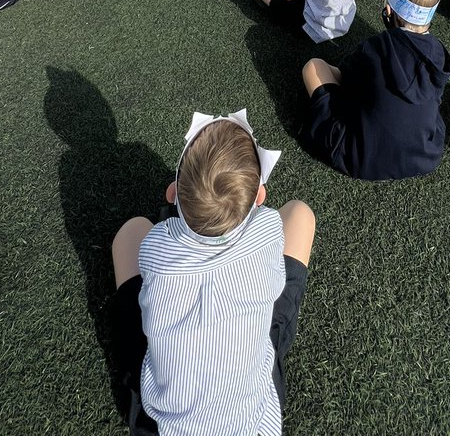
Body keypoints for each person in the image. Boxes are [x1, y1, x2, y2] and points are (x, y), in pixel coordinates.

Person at [107, 110, 314, 436]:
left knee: (132, 231)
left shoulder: (156, 246)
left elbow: (148, 256)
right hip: (253, 421)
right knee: (300, 214)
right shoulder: (268, 229)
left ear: (172, 194)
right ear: (260, 197)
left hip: (162, 423)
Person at [301, 0, 450, 180]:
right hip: (424, 155)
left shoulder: (376, 46)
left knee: (314, 66)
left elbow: (347, 79)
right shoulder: (439, 54)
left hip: (360, 156)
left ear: (388, 10)